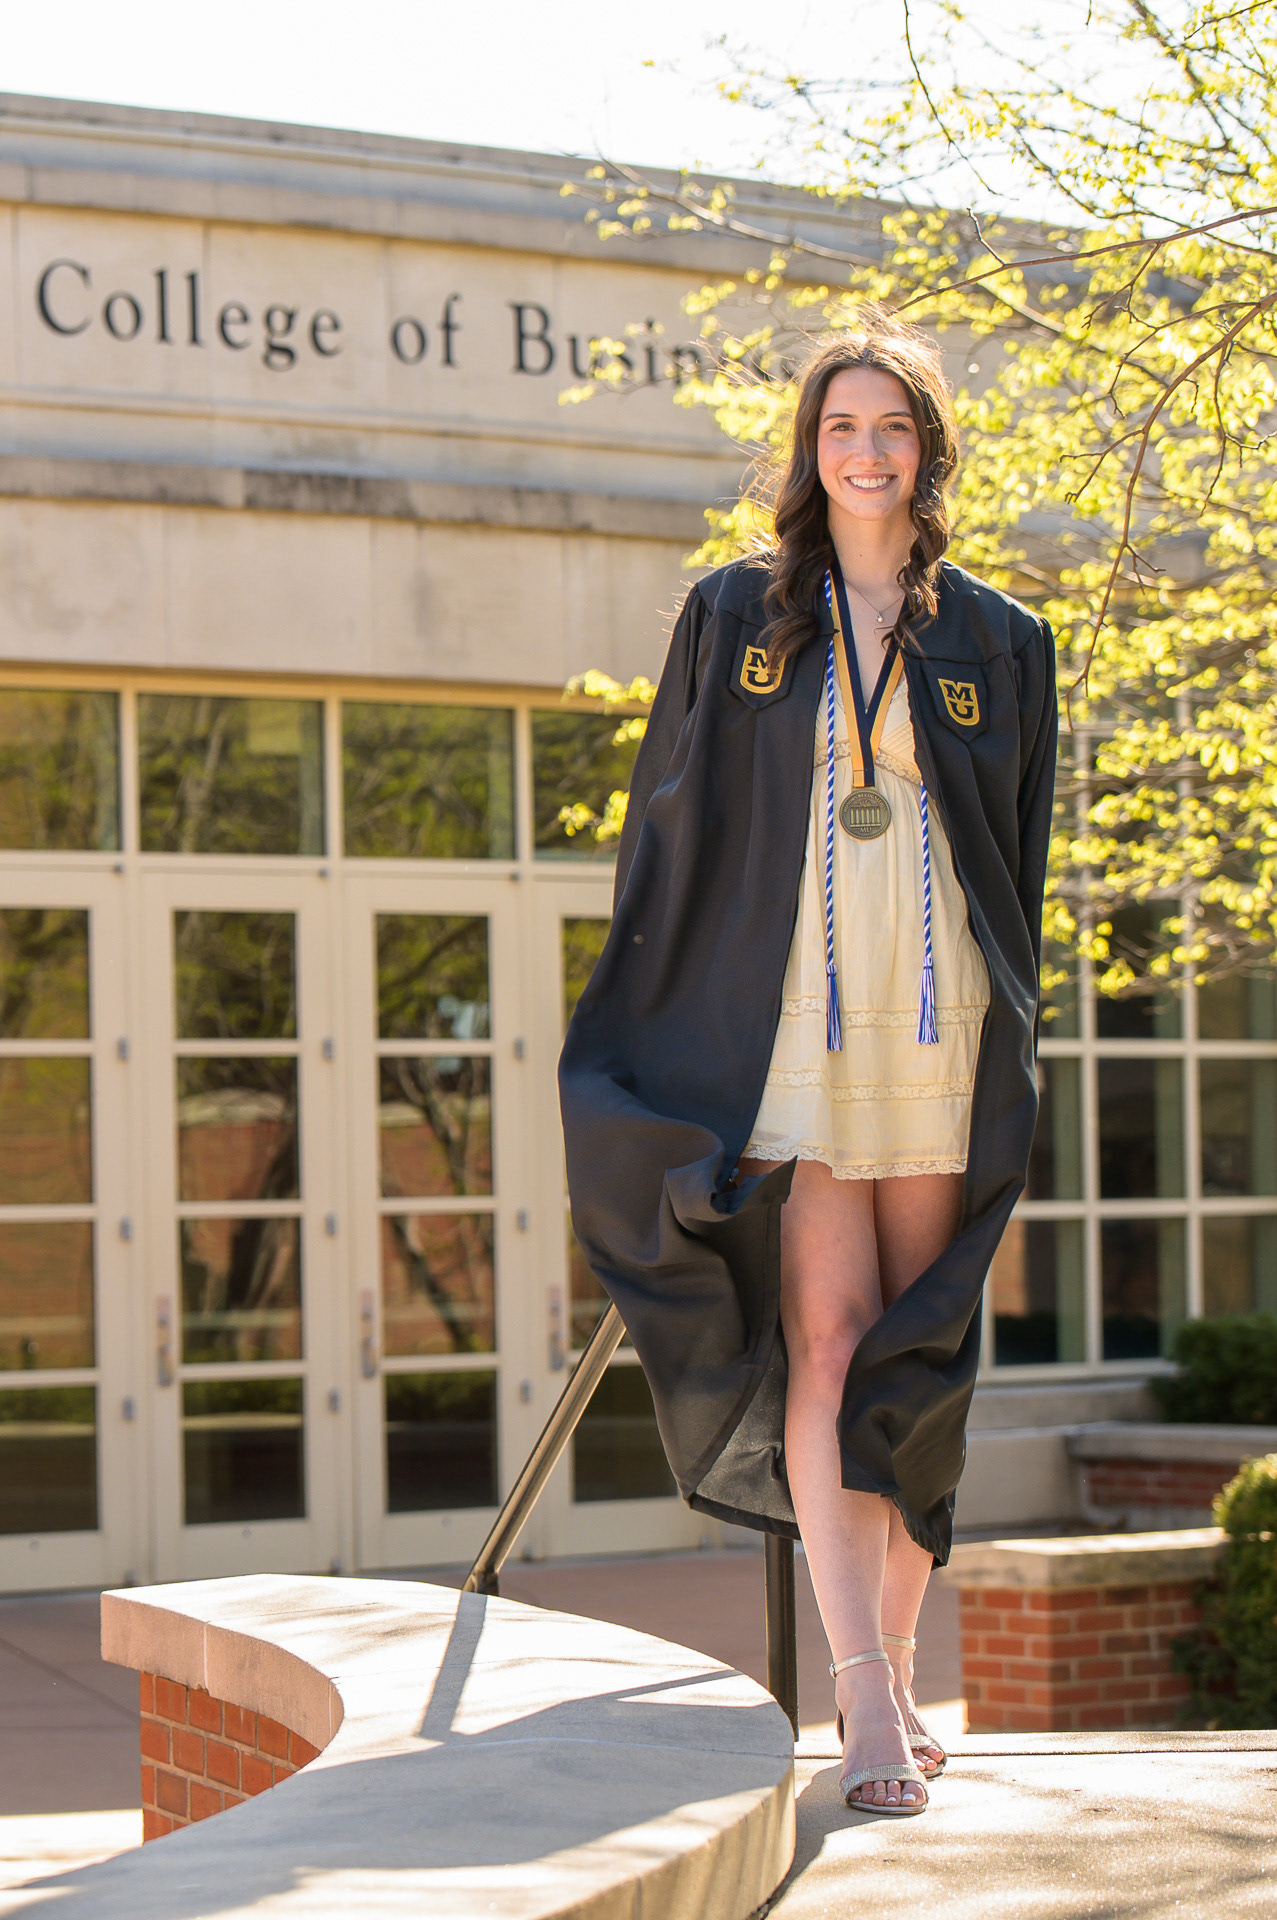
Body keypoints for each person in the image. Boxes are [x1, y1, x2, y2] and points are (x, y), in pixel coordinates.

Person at [559, 311, 1057, 1815]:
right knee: (828, 1342)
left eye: (890, 429)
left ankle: (899, 1677)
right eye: (839, 428)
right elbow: (672, 832)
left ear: (925, 452)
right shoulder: (731, 618)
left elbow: (1015, 864)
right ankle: (862, 1709)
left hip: (936, 1023)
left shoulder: (999, 639)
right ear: (808, 451)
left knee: (919, 1351)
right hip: (790, 1031)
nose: (864, 453)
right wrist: (666, 1027)